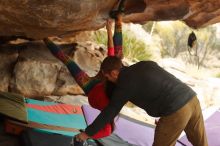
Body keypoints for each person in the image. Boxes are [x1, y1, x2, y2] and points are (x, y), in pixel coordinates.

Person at [44, 13, 136, 146]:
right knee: (68, 61)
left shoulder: (112, 73)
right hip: (93, 90)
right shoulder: (117, 83)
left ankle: (44, 38)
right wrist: (109, 29)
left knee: (68, 61)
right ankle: (44, 38)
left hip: (92, 87)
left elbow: (113, 51)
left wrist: (110, 28)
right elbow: (113, 52)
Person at [76, 57, 208, 146]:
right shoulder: (144, 64)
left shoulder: (124, 85)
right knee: (201, 143)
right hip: (192, 99)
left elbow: (109, 112)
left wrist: (86, 134)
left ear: (115, 73)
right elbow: (160, 85)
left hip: (176, 110)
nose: (108, 80)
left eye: (107, 77)